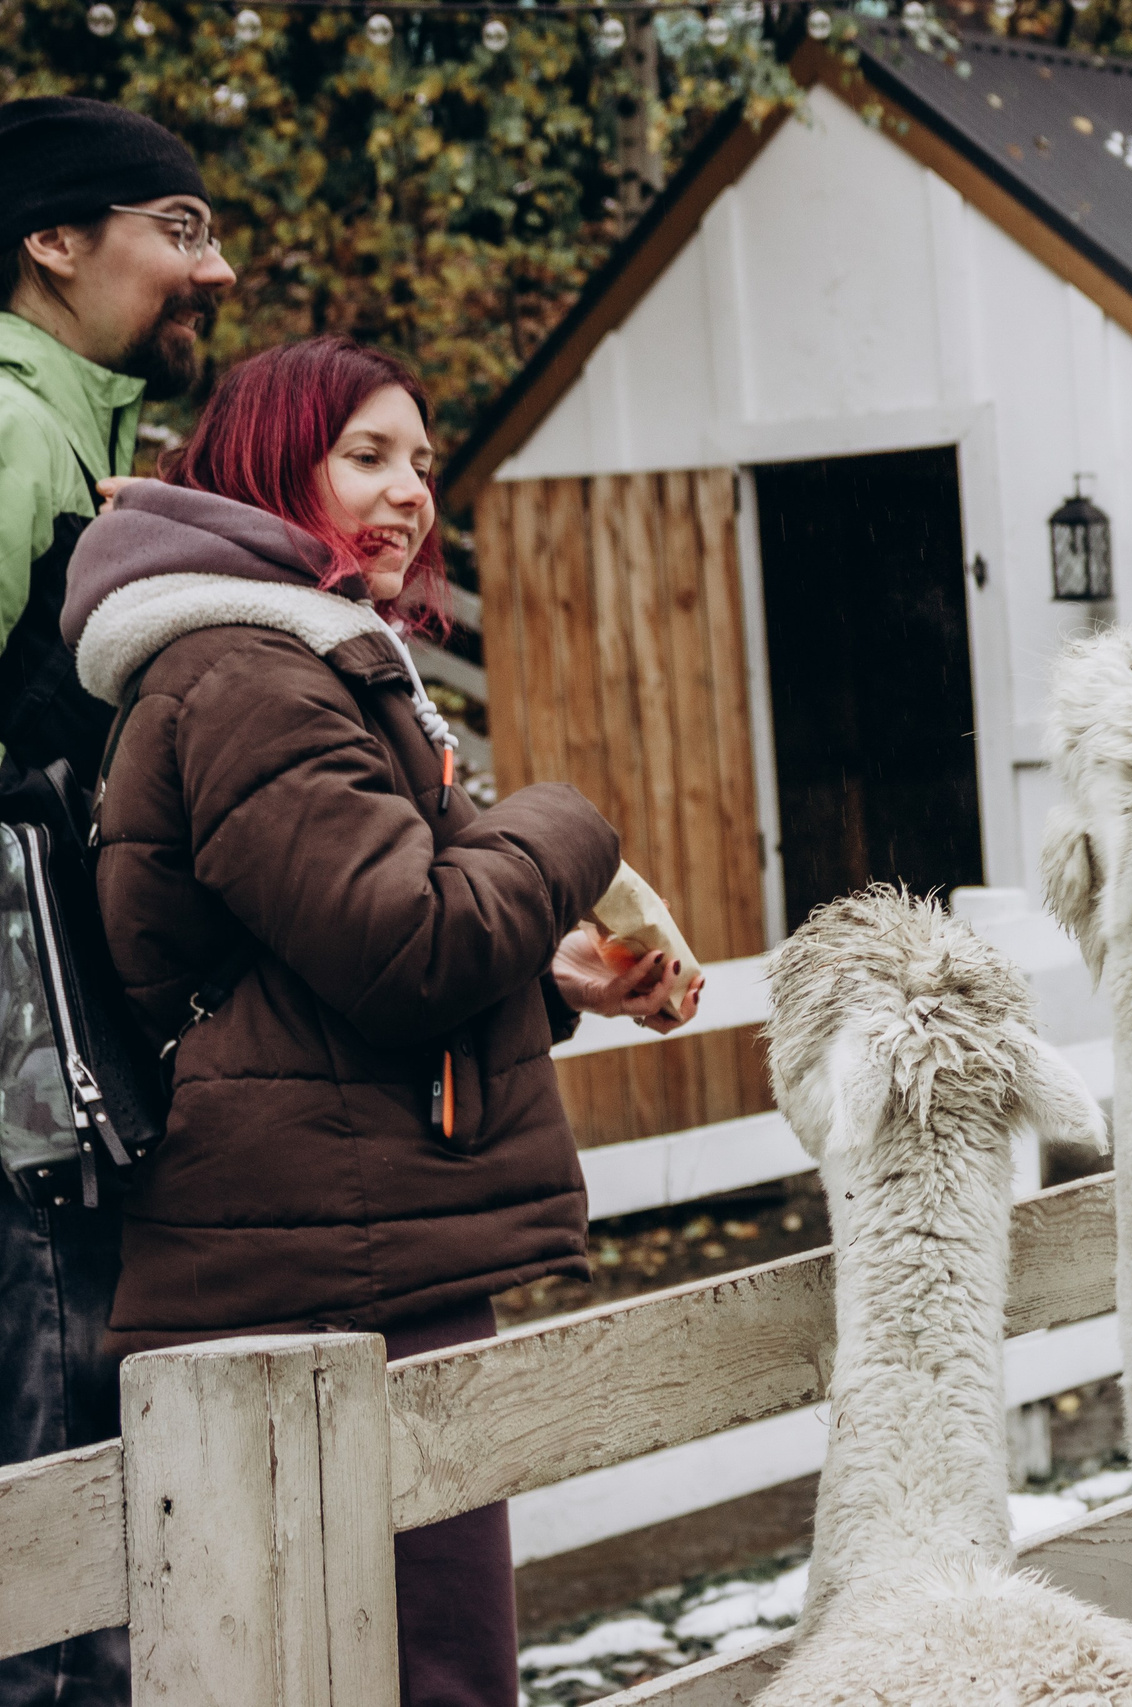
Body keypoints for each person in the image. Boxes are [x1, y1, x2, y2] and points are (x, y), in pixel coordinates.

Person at [62, 337, 697, 1707]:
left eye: (421, 458)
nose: (410, 490)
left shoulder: (293, 665)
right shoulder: (248, 673)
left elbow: (313, 964)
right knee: (431, 1674)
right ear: (263, 468)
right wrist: (569, 822)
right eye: (366, 454)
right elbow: (406, 948)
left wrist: (547, 981)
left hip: (341, 1240)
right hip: (326, 1273)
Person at [0, 94, 234, 1707]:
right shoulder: (13, 426)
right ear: (55, 240)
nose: (214, 267)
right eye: (181, 227)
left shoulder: (81, 432)